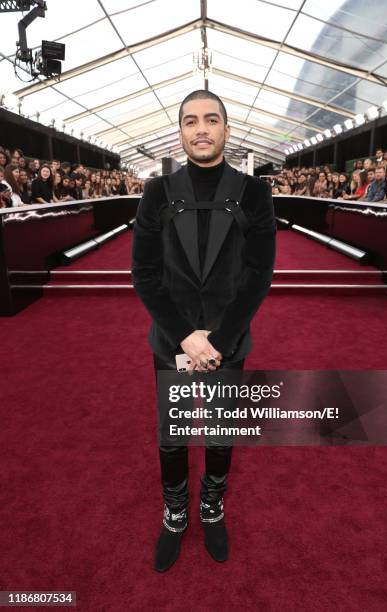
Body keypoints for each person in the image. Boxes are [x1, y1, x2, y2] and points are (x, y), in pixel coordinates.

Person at [131, 90, 276, 572]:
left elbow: (258, 275)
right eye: (191, 121)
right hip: (171, 340)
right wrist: (185, 337)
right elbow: (145, 274)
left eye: (211, 119)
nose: (201, 129)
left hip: (228, 339)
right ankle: (175, 514)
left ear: (226, 130)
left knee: (219, 433)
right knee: (172, 435)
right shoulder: (156, 192)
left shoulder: (255, 193)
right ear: (180, 132)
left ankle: (211, 506)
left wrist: (218, 339)